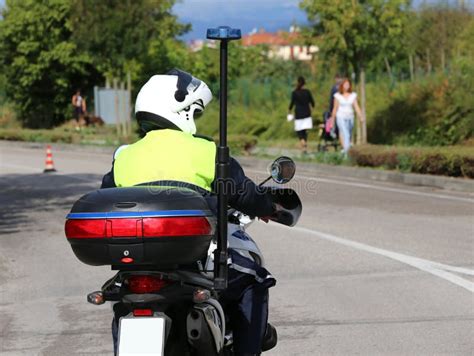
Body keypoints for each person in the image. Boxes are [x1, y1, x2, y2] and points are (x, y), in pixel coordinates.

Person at [101, 69, 278, 356]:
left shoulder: (124, 156)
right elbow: (244, 193)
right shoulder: (207, 151)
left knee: (124, 302)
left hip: (138, 266)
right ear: (181, 110)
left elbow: (107, 197)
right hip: (194, 260)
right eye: (194, 113)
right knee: (253, 280)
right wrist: (269, 206)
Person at [330, 78, 365, 154]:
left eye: (348, 85)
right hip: (341, 116)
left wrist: (360, 116)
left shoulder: (353, 95)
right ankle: (347, 152)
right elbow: (335, 108)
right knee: (345, 133)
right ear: (342, 86)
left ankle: (345, 149)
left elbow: (356, 107)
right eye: (345, 85)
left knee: (348, 134)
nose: (347, 86)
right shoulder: (337, 96)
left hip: (350, 117)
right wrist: (332, 120)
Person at [288, 76, 315, 154]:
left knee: (299, 131)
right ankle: (304, 146)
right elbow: (312, 103)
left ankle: (303, 143)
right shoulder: (307, 92)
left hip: (298, 114)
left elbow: (292, 104)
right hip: (307, 113)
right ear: (304, 83)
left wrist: (289, 111)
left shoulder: (294, 93)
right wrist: (311, 109)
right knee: (305, 131)